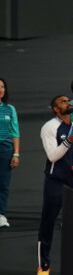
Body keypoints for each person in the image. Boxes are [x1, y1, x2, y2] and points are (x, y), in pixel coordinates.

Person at [36, 94, 73, 275]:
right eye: (63, 102)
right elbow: (52, 156)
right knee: (48, 222)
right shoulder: (49, 127)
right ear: (56, 109)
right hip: (55, 181)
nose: (68, 103)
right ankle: (44, 266)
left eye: (68, 101)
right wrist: (69, 140)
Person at [0, 77, 19, 228]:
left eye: (2, 87)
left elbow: (15, 132)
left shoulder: (9, 108)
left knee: (4, 184)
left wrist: (16, 153)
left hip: (6, 149)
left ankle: (1, 215)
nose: (1, 89)